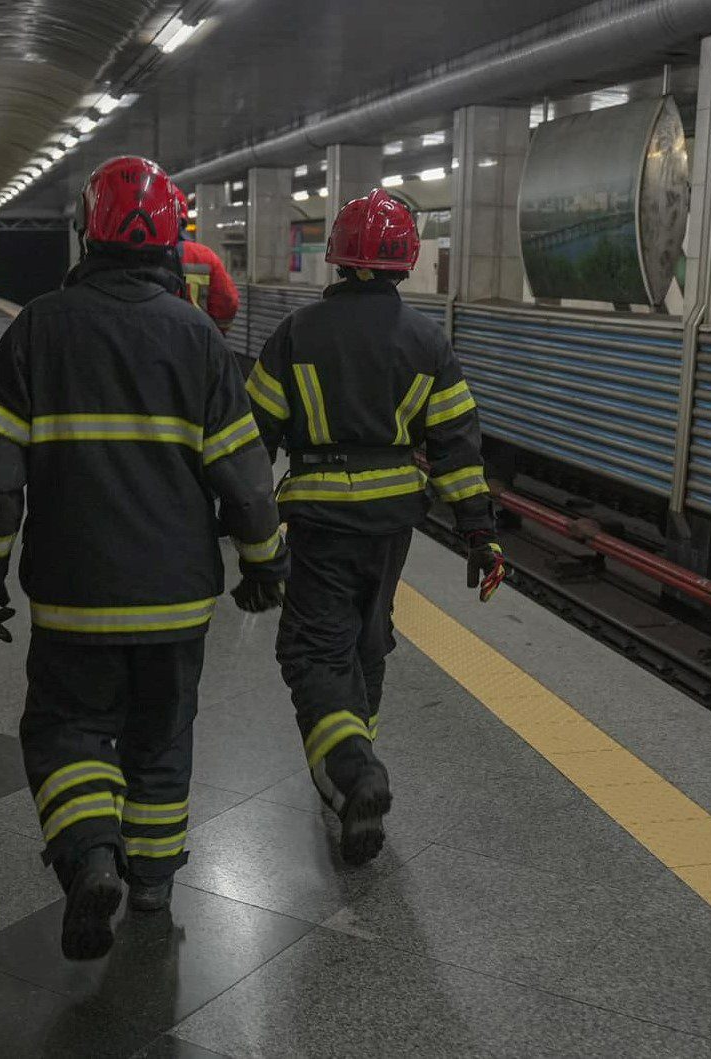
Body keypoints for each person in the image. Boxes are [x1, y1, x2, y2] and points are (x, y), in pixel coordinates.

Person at [0, 155, 288, 960]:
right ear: (173, 238)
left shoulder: (37, 328)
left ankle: (91, 856)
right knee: (162, 735)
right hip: (176, 597)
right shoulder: (199, 340)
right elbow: (245, 480)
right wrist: (264, 560)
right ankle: (148, 879)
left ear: (87, 231)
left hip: (73, 594)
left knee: (67, 727)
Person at [245, 187, 506, 867]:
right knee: (367, 639)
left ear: (336, 257)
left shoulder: (297, 333)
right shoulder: (425, 340)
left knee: (310, 652)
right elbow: (455, 446)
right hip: (393, 521)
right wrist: (480, 534)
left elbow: (249, 442)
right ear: (403, 261)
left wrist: (242, 529)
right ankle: (353, 772)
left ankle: (353, 770)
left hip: (319, 519)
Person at [170, 183, 240, 338]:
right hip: (195, 344)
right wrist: (214, 335)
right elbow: (228, 303)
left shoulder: (130, 255)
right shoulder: (204, 256)